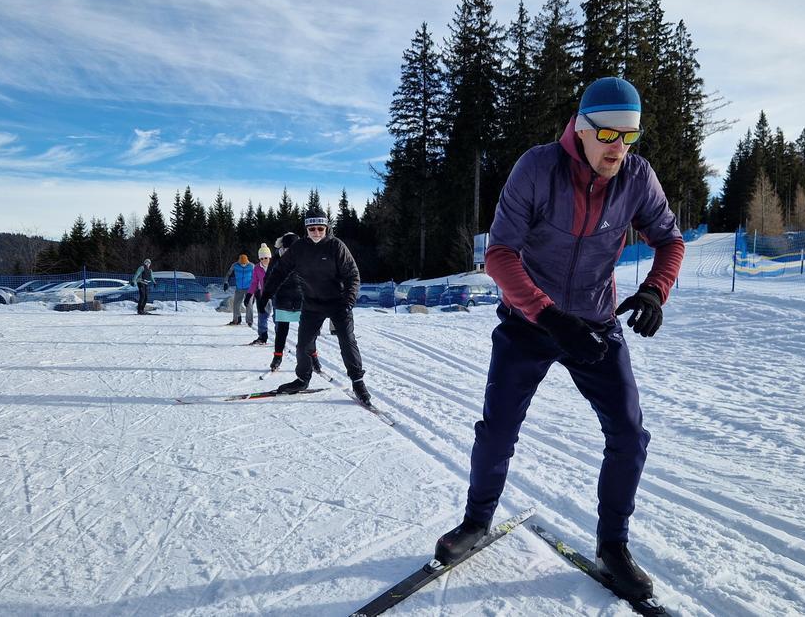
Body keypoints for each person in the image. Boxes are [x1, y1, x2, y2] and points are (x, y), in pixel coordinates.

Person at [432, 77, 684, 603]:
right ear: (581, 128)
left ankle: (612, 546)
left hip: (595, 324)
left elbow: (669, 239)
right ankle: (476, 521)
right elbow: (500, 254)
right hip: (528, 323)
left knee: (629, 434)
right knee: (498, 429)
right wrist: (546, 315)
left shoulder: (637, 177)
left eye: (630, 136)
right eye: (608, 134)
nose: (618, 147)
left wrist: (655, 290)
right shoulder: (537, 168)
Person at [261, 213, 371, 405]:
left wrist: (348, 302)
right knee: (303, 345)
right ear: (306, 230)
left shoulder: (336, 246)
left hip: (338, 303)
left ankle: (357, 381)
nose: (317, 232)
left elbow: (352, 275)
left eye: (321, 228)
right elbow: (279, 271)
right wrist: (266, 294)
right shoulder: (299, 248)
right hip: (312, 304)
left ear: (326, 228)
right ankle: (302, 379)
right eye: (312, 229)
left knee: (347, 341)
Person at [264, 232, 321, 374]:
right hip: (283, 298)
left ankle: (313, 357)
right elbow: (268, 278)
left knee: (308, 331)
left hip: (302, 299)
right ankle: (277, 358)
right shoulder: (277, 259)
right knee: (282, 330)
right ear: (283, 247)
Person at [248, 243, 272, 344]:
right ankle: (262, 336)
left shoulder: (276, 265)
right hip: (263, 294)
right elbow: (254, 282)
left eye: (266, 258)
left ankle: (280, 338)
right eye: (261, 258)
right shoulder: (257, 268)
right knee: (262, 314)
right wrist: (249, 294)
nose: (264, 260)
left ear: (269, 257)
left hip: (277, 294)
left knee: (278, 317)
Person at [223, 254, 254, 325]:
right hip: (239, 288)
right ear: (239, 261)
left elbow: (255, 277)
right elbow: (228, 274)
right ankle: (237, 319)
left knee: (249, 304)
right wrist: (226, 282)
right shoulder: (235, 265)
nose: (243, 265)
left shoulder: (251, 266)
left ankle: (249, 321)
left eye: (244, 263)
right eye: (241, 263)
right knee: (236, 304)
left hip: (249, 288)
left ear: (247, 261)